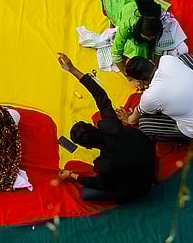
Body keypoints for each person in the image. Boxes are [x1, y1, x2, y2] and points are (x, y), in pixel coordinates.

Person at [56, 53, 157, 202]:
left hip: (142, 186)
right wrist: (72, 69)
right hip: (149, 156)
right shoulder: (112, 123)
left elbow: (99, 183)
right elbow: (100, 94)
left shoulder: (104, 165)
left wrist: (71, 175)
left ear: (89, 148)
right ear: (94, 126)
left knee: (86, 194)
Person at [97, 0, 193, 82]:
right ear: (139, 32)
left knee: (149, 50)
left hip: (145, 8)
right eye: (146, 37)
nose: (148, 40)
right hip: (127, 9)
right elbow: (116, 54)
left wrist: (157, 67)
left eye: (151, 38)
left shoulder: (162, 22)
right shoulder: (127, 25)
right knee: (136, 49)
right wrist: (130, 78)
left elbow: (158, 49)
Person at [121, 56, 193, 141]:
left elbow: (136, 115)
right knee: (185, 58)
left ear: (140, 81)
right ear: (151, 61)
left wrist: (129, 120)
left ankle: (188, 139)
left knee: (145, 124)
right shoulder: (168, 59)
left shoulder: (149, 97)